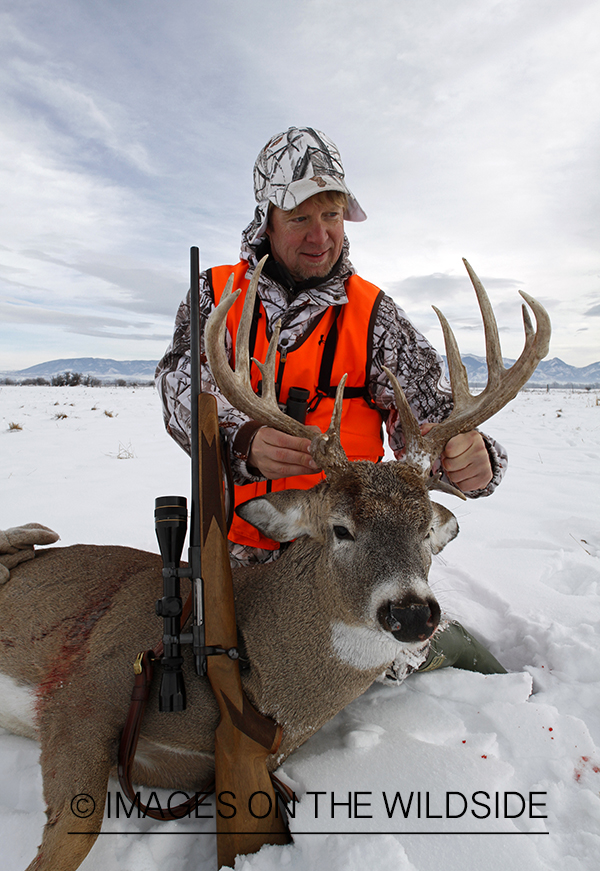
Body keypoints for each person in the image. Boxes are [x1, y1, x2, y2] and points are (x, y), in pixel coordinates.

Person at [156, 126, 507, 675]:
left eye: (333, 215)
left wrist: (469, 454)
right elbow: (177, 388)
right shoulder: (215, 295)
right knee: (230, 675)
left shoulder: (375, 315)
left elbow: (431, 413)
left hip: (362, 557)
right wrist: (241, 437)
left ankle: (448, 654)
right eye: (300, 218)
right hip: (245, 549)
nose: (320, 236)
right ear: (266, 219)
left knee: (379, 674)